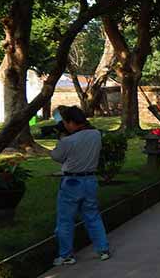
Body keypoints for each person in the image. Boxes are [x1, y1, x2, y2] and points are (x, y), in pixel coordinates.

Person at [50, 106, 110, 266]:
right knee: (93, 216)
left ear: (70, 122)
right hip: (90, 180)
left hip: (71, 182)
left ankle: (66, 255)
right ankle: (103, 249)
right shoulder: (96, 135)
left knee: (65, 220)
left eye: (65, 122)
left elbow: (56, 156)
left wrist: (61, 138)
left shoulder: (67, 141)